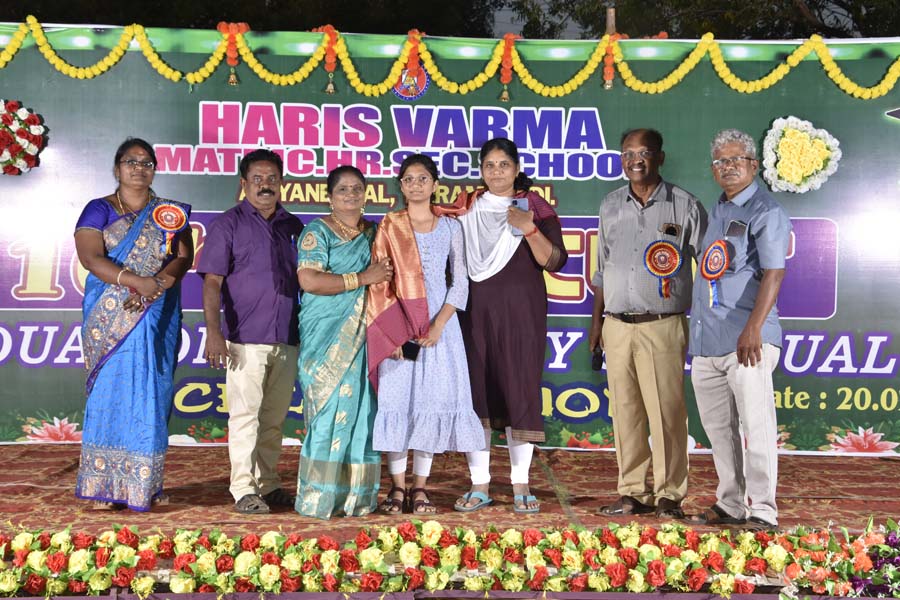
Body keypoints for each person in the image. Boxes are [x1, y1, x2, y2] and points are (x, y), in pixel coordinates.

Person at [438, 137, 568, 514]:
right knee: (475, 391)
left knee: (519, 388)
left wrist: (529, 229)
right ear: (481, 170)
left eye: (504, 165)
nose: (496, 172)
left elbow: (554, 261)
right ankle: (479, 483)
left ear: (516, 169)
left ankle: (520, 482)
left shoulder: (534, 208)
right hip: (474, 311)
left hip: (522, 313)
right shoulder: (465, 207)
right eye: (489, 165)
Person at [590, 129, 708, 520]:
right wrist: (596, 326)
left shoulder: (684, 205)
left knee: (666, 412)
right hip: (616, 325)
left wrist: (706, 319)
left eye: (643, 152)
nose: (634, 160)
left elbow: (712, 267)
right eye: (627, 153)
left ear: (660, 157)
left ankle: (669, 494)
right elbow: (603, 270)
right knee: (624, 412)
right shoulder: (610, 205)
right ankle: (633, 492)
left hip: (662, 324)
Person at [74, 138, 194, 511]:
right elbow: (90, 257)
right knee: (111, 392)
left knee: (151, 392)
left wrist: (163, 280)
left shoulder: (169, 212)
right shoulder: (98, 209)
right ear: (117, 168)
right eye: (131, 161)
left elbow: (183, 255)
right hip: (111, 313)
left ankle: (145, 485)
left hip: (155, 310)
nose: (139, 168)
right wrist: (135, 281)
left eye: (146, 162)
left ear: (154, 169)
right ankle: (103, 485)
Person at [366, 154, 483, 515]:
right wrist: (392, 334)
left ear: (434, 185)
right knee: (397, 403)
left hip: (439, 329)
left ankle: (420, 488)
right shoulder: (390, 225)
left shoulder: (450, 227)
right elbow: (380, 282)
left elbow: (460, 281)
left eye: (422, 179)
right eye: (409, 179)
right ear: (401, 186)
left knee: (430, 403)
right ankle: (397, 488)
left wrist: (438, 324)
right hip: (398, 325)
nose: (415, 185)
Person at [688, 129, 791, 529]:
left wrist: (753, 329)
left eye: (736, 160)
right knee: (719, 432)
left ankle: (763, 509)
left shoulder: (766, 210)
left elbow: (774, 273)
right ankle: (731, 503)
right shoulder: (717, 210)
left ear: (754, 165)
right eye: (721, 161)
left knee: (756, 427)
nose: (728, 167)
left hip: (747, 340)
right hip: (708, 340)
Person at [198, 149, 304, 515]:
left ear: (282, 183)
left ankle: (268, 483)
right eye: (257, 179)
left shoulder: (294, 227)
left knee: (274, 419)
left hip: (288, 337)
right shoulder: (227, 225)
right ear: (244, 184)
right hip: (244, 339)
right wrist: (214, 332)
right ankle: (243, 488)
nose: (265, 185)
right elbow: (212, 282)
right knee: (245, 417)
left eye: (272, 178)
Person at [295, 165, 394, 519]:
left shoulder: (375, 233)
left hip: (365, 334)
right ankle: (318, 498)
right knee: (327, 413)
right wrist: (362, 277)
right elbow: (309, 280)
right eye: (342, 189)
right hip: (325, 332)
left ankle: (357, 498)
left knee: (363, 411)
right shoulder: (316, 232)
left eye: (356, 188)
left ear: (365, 194)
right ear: (329, 196)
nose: (350, 194)